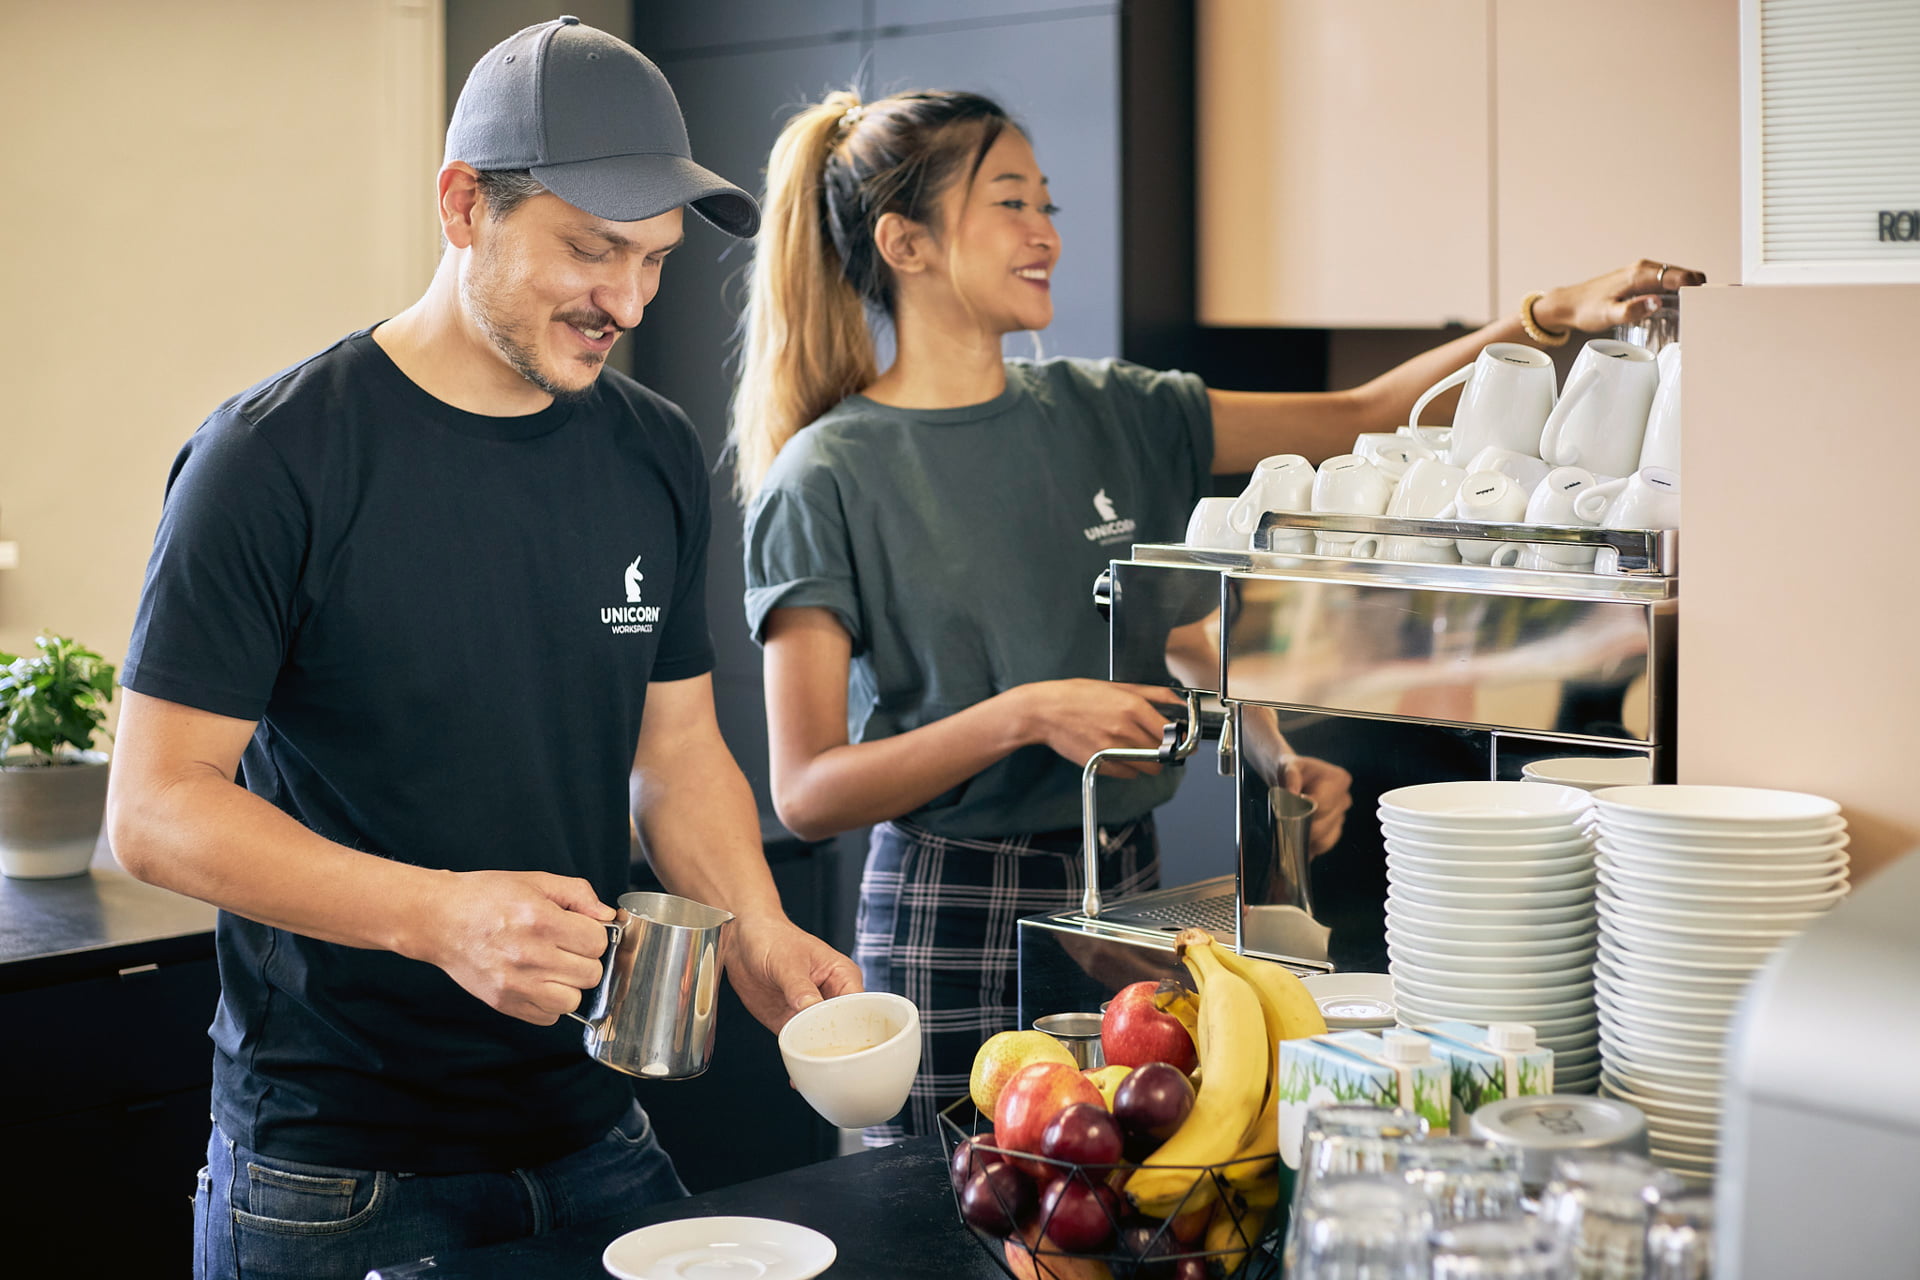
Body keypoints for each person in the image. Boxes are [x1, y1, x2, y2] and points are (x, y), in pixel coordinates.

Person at [729, 88, 1704, 1143]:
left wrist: (1270, 747)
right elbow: (810, 787)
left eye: (1047, 202)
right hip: (949, 908)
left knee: (1136, 1203)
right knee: (953, 1217)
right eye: (1010, 203)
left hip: (1129, 890)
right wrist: (1023, 714)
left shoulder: (1114, 411)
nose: (1046, 230)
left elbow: (1353, 421)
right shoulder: (824, 474)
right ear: (903, 241)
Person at [105, 20, 861, 1280]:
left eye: (656, 259)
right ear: (464, 206)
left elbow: (674, 758)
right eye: (591, 249)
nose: (627, 300)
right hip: (333, 1169)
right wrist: (438, 915)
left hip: (590, 1127)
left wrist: (758, 929)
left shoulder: (655, 451)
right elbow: (157, 807)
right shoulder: (272, 459)